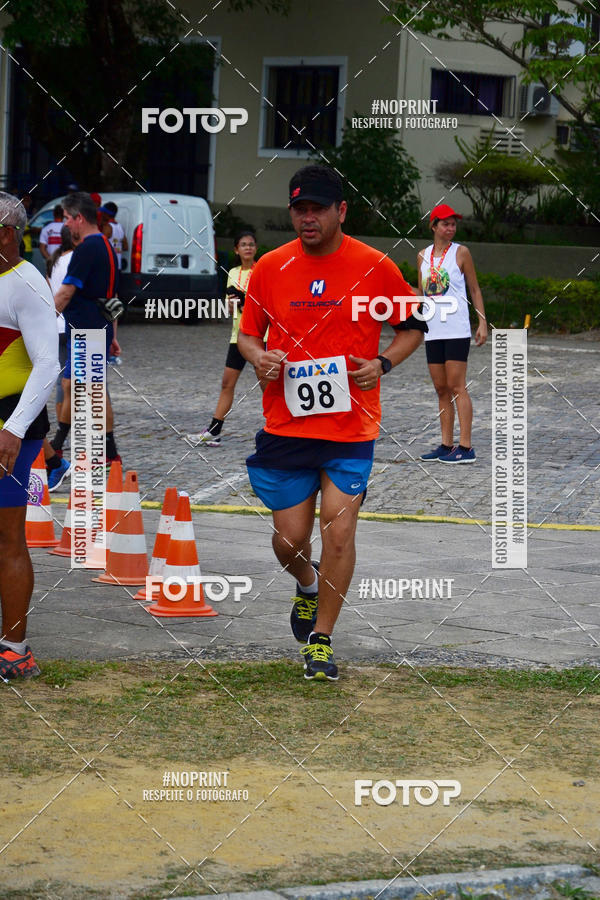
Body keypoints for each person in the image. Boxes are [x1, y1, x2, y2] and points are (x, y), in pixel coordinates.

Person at [237, 165, 425, 682]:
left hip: (351, 430)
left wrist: (382, 363)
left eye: (318, 208)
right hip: (287, 429)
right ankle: (306, 583)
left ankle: (321, 640)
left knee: (338, 537)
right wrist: (258, 357)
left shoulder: (374, 265)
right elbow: (247, 336)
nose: (308, 217)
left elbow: (412, 326)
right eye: (300, 208)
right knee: (289, 541)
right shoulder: (271, 268)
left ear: (342, 210)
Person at [0, 192, 59, 679]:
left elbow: (48, 364)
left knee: (7, 539)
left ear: (7, 232)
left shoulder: (28, 285)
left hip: (9, 425)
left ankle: (15, 648)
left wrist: (13, 430)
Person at [47, 192, 122, 474]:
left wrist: (40, 326)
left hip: (88, 330)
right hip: (91, 329)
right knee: (70, 388)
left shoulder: (88, 248)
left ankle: (110, 455)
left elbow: (65, 293)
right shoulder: (105, 245)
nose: (65, 225)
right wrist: (112, 335)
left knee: (93, 392)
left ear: (79, 218)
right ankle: (57, 447)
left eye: (67, 219)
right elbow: (111, 297)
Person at [417, 204, 487, 464]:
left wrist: (482, 323)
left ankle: (466, 447)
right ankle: (446, 445)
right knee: (441, 388)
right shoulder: (422, 255)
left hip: (456, 328)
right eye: (445, 223)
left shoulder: (461, 252)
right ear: (433, 226)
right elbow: (421, 293)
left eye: (453, 224)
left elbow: (475, 289)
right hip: (432, 329)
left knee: (457, 386)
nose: (451, 228)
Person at [188, 231, 258, 446]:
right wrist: (231, 304)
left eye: (251, 245)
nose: (248, 248)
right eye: (243, 245)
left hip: (258, 337)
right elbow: (229, 308)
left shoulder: (262, 271)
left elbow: (265, 303)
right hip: (238, 336)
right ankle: (215, 430)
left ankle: (282, 432)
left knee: (269, 388)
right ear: (236, 249)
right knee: (227, 383)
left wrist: (247, 300)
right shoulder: (233, 272)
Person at [99, 202, 128, 271]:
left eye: (103, 212)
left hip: (108, 266)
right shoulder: (120, 227)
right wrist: (116, 247)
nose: (101, 214)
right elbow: (125, 247)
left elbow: (100, 246)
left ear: (107, 214)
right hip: (118, 266)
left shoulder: (107, 227)